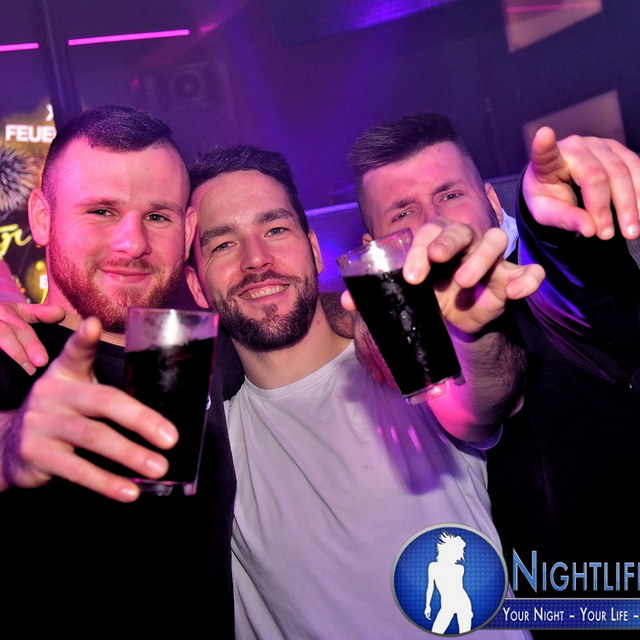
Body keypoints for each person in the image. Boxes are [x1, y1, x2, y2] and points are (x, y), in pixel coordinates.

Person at [185, 144, 541, 638]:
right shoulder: (207, 452)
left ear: (314, 249)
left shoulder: (408, 371)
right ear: (197, 286)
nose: (256, 260)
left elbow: (486, 394)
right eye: (223, 244)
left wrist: (471, 333)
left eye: (275, 229)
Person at [348, 112, 640, 600]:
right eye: (402, 213)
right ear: (373, 248)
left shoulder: (547, 285)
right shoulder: (401, 347)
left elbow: (582, 286)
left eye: (450, 195)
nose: (433, 223)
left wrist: (553, 216)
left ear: (492, 201)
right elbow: (475, 409)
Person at [0, 105, 237, 635]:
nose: (133, 243)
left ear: (187, 229)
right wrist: (11, 443)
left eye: (158, 216)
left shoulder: (207, 355)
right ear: (42, 217)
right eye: (102, 211)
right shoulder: (8, 353)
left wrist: (354, 320)